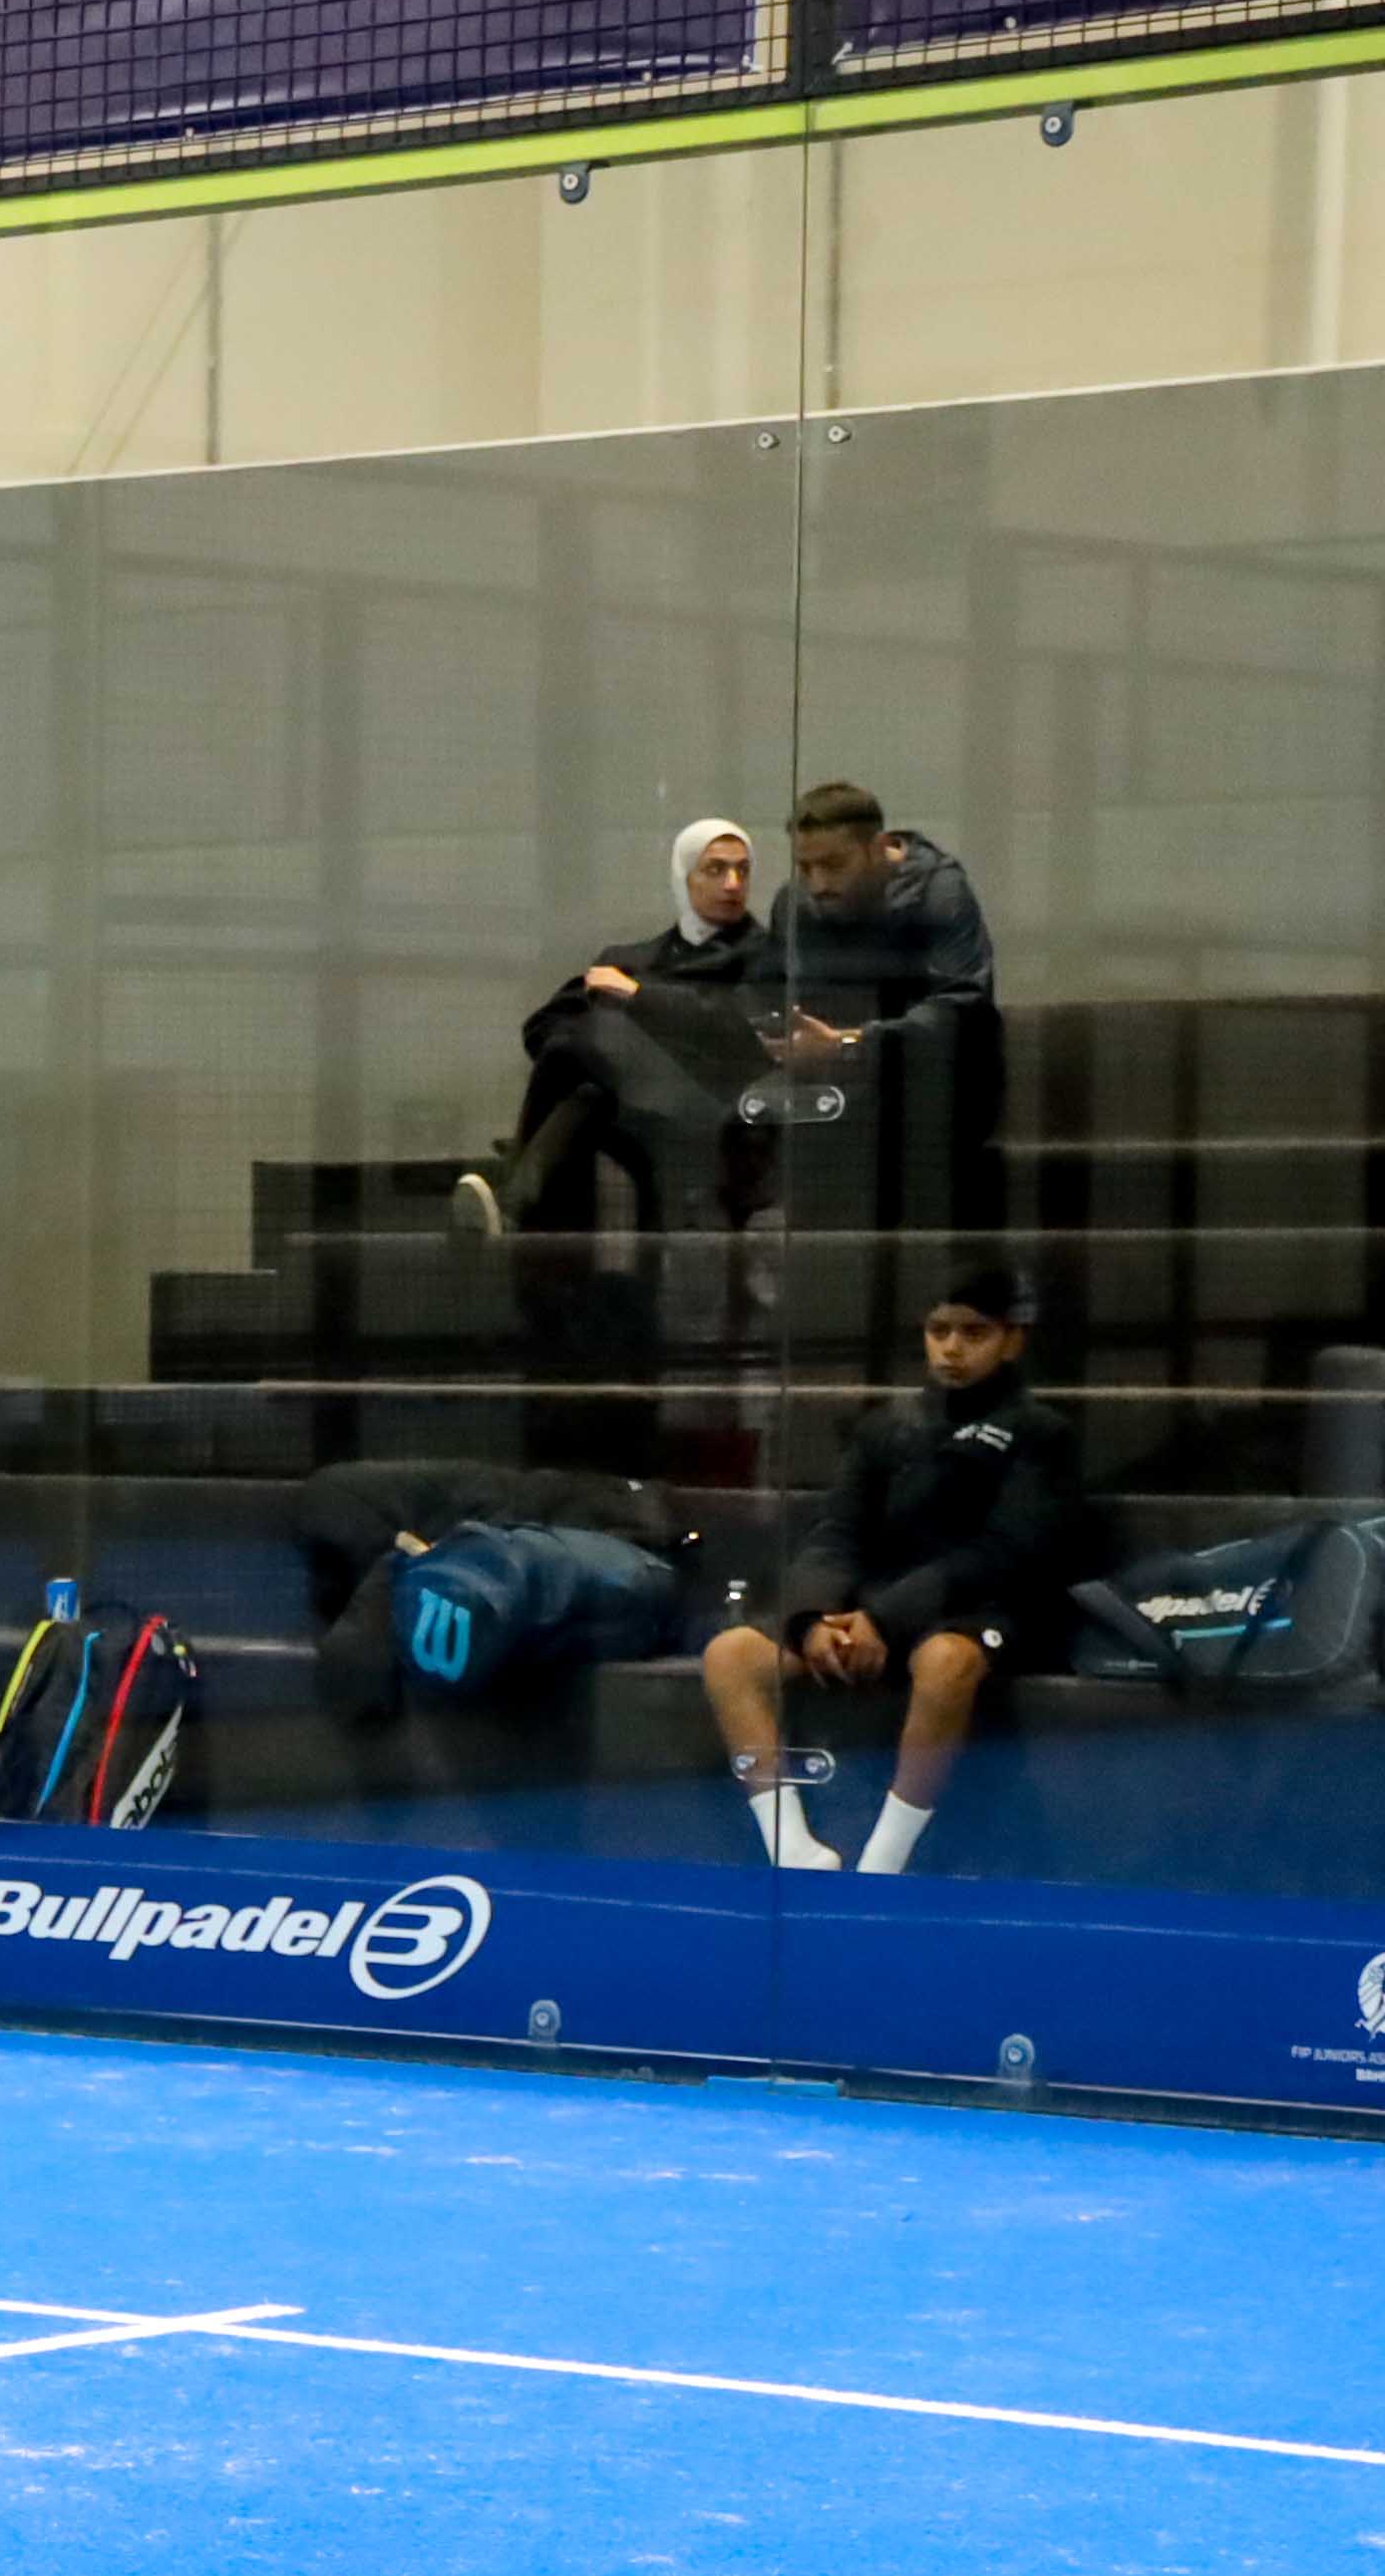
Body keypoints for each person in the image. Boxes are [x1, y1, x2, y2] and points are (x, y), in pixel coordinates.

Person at [698, 1264, 1077, 1875]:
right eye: (939, 1330)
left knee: (947, 1663)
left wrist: (885, 1617)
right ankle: (790, 1847)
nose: (951, 1348)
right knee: (731, 1655)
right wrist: (811, 1620)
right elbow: (836, 1533)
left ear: (1012, 1340)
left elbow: (1006, 1553)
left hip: (976, 1610)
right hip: (872, 1612)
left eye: (974, 1333)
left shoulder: (1040, 1434)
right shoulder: (888, 1426)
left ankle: (884, 1860)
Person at [452, 817, 781, 1255]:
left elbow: (739, 1031)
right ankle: (519, 1208)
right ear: (685, 876)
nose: (733, 884)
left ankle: (514, 1191)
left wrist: (636, 998)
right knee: (584, 1077)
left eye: (743, 870)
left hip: (713, 1105)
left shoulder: (766, 954)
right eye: (716, 869)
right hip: (628, 1106)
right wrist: (608, 1050)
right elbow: (543, 1027)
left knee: (586, 1051)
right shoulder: (634, 957)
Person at [760, 783, 1008, 1255]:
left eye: (833, 865)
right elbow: (771, 991)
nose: (817, 884)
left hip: (930, 1087)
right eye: (805, 867)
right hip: (831, 1089)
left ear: (878, 848)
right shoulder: (793, 904)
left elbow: (963, 1008)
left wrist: (850, 1043)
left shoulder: (938, 892)